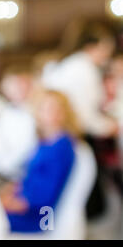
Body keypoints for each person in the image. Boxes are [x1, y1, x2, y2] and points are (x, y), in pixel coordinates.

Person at [42, 21, 118, 219]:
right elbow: (85, 114)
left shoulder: (70, 64)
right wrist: (109, 127)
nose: (107, 54)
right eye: (106, 48)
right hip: (75, 133)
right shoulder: (83, 68)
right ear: (93, 46)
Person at [0, 90, 78, 233]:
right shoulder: (46, 141)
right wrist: (7, 193)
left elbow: (41, 198)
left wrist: (5, 204)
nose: (48, 113)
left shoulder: (61, 148)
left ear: (64, 113)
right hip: (24, 206)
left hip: (36, 218)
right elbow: (30, 177)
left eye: (54, 109)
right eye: (44, 108)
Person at [0, 65, 38, 179]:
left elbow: (25, 150)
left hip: (16, 174)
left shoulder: (34, 114)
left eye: (18, 85)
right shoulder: (9, 110)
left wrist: (2, 166)